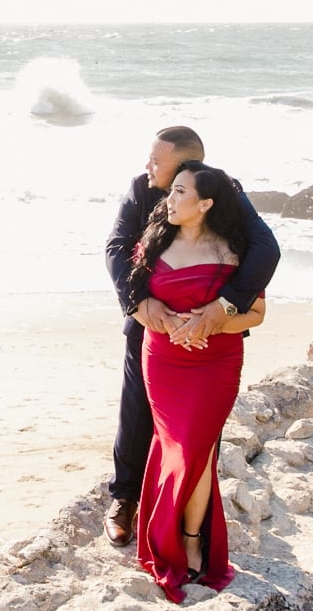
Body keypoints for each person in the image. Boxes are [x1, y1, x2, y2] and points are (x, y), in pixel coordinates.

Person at [102, 126, 279, 547]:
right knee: (137, 409)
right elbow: (116, 247)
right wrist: (139, 303)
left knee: (199, 430)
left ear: (185, 169)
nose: (148, 167)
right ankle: (125, 497)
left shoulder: (223, 191)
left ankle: (189, 523)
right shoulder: (141, 190)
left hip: (210, 339)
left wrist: (226, 308)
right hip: (152, 329)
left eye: (157, 161)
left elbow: (265, 249)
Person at [132, 160, 266, 601]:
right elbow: (135, 296)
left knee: (197, 450)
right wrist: (164, 321)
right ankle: (174, 540)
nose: (169, 200)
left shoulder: (234, 250)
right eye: (170, 192)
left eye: (180, 193)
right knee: (179, 448)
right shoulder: (154, 241)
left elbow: (257, 314)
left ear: (206, 204)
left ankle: (189, 543)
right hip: (163, 362)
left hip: (216, 364)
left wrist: (209, 323)